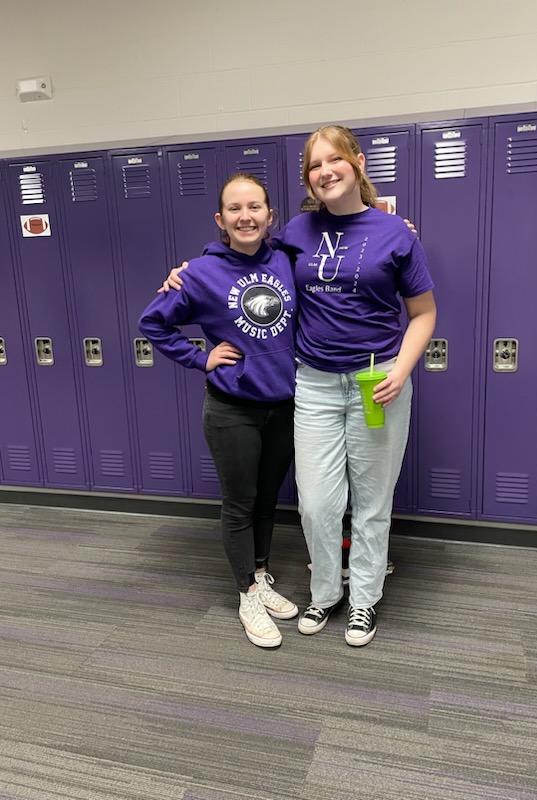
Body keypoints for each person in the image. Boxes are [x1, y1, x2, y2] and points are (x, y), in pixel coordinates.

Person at [162, 125, 436, 647]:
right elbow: (243, 247)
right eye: (314, 165)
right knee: (315, 504)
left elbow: (423, 313)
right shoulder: (298, 232)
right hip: (312, 384)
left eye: (334, 160)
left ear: (356, 163)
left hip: (376, 378)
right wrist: (187, 269)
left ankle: (363, 602)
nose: (325, 171)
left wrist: (401, 369)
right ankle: (326, 592)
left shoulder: (396, 234)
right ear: (307, 178)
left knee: (373, 500)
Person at [139, 173, 299, 649]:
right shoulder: (198, 274)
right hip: (233, 409)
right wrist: (200, 356)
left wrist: (400, 230)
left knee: (269, 499)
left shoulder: (289, 259)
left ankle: (262, 574)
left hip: (286, 405)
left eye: (254, 207)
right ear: (221, 219)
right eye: (235, 209)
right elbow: (154, 322)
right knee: (240, 503)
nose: (245, 216)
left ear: (270, 216)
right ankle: (246, 592)